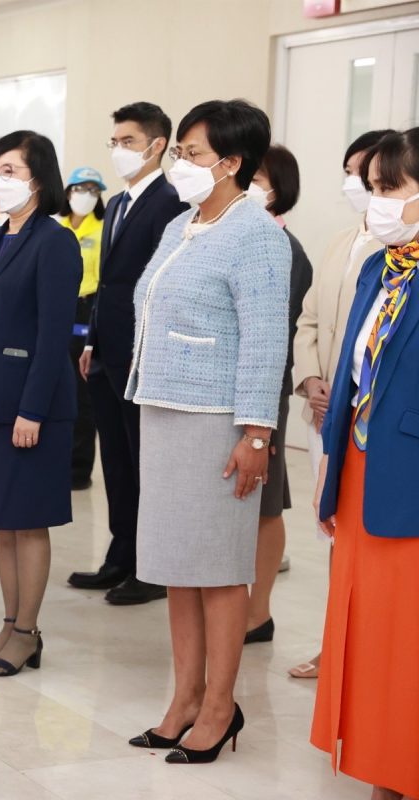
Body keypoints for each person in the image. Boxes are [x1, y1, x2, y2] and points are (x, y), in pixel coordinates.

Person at [125, 99, 289, 765]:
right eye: (180, 153)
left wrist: (256, 433)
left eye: (191, 154)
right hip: (163, 412)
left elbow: (265, 340)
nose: (180, 165)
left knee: (219, 572)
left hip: (217, 421)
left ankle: (221, 706)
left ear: (232, 162)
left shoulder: (258, 234)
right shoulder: (182, 224)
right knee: (177, 569)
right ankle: (183, 698)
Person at [311, 126, 419, 800]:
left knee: (405, 633)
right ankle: (384, 762)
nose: (375, 203)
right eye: (373, 188)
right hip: (361, 465)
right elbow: (357, 371)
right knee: (369, 629)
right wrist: (331, 453)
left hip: (407, 476)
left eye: (391, 189)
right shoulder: (385, 267)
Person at [0, 130, 81, 677]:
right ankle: (9, 623)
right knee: (1, 523)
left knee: (29, 523)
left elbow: (53, 338)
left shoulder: (54, 242)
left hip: (31, 405)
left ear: (38, 178)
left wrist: (33, 409)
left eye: (9, 170)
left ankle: (27, 631)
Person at [69, 101, 187, 606]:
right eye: (114, 142)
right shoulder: (115, 204)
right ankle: (121, 554)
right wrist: (92, 339)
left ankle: (152, 566)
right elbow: (107, 284)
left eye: (129, 142)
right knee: (115, 460)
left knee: (145, 463)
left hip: (144, 356)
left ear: (157, 145)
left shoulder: (171, 201)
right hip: (107, 351)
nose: (119, 151)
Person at [288, 129, 389, 681]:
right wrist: (309, 377)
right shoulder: (339, 241)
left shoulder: (396, 253)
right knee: (334, 536)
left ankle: (362, 653)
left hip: (366, 422)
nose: (357, 185)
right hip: (323, 414)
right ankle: (336, 645)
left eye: (369, 175)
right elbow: (308, 321)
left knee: (366, 542)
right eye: (353, 174)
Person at [243, 145, 313, 647]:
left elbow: (274, 335)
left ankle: (258, 611)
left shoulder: (288, 251)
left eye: (257, 176)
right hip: (229, 392)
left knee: (267, 503)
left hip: (265, 391)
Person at [59, 167, 107, 490]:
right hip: (57, 307)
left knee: (82, 393)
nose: (85, 194)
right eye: (79, 188)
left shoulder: (103, 229)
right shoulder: (56, 227)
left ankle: (78, 470)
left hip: (87, 308)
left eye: (93, 189)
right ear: (68, 192)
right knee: (57, 387)